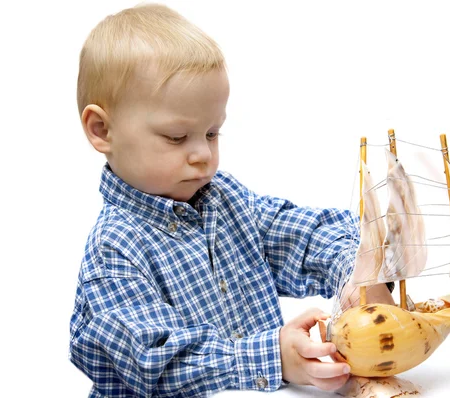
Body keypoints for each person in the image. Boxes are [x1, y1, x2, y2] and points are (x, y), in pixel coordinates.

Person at [69, 3, 394, 397]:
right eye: (176, 137)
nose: (202, 154)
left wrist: (355, 273)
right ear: (102, 129)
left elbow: (302, 234)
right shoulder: (114, 250)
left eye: (211, 133)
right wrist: (272, 358)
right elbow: (152, 361)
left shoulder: (226, 201)